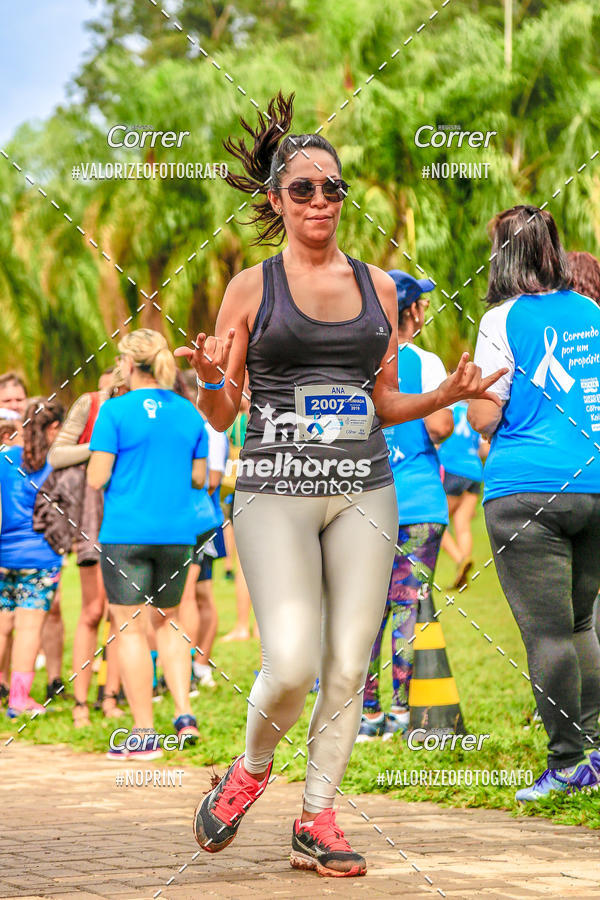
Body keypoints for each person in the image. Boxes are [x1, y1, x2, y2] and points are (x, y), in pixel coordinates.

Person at [176, 92, 504, 877]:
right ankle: (250, 769)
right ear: (276, 200)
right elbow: (221, 414)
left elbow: (383, 402)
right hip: (274, 487)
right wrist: (213, 378)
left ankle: (317, 817)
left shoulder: (380, 287)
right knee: (291, 664)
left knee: (350, 666)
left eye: (333, 188)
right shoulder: (251, 288)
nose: (320, 200)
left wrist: (445, 395)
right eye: (303, 189)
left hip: (364, 485)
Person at [468, 204, 600, 803]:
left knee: (548, 634)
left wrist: (470, 396)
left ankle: (567, 762)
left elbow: (483, 415)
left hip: (526, 492)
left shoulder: (501, 319)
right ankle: (593, 751)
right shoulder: (590, 311)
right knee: (580, 622)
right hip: (593, 483)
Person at [87, 329, 209, 758]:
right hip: (177, 534)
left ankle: (143, 733)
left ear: (127, 363)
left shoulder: (114, 410)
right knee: (169, 622)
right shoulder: (189, 412)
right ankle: (184, 715)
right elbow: (199, 478)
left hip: (126, 533)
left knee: (129, 628)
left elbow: (97, 476)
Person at [358, 272, 453, 742]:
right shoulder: (425, 362)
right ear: (413, 311)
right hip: (419, 503)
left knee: (363, 609)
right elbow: (440, 428)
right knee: (407, 606)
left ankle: (366, 713)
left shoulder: (356, 360)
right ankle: (400, 711)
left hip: (363, 503)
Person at [47, 370, 123, 726]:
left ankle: (109, 698)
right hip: (91, 520)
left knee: (121, 615)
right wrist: (98, 448)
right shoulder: (90, 403)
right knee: (93, 611)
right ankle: (80, 703)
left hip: (128, 519)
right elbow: (56, 455)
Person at [0, 399, 64, 716]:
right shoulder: (56, 465)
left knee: (2, 626)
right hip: (41, 557)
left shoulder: (4, 459)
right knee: (28, 630)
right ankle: (18, 700)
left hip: (5, 555)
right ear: (54, 428)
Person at [438, 400, 486, 587]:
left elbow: (437, 435)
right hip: (474, 471)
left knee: (438, 522)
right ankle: (463, 577)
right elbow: (484, 448)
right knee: (463, 525)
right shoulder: (475, 412)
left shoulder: (449, 409)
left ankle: (460, 559)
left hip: (452, 468)